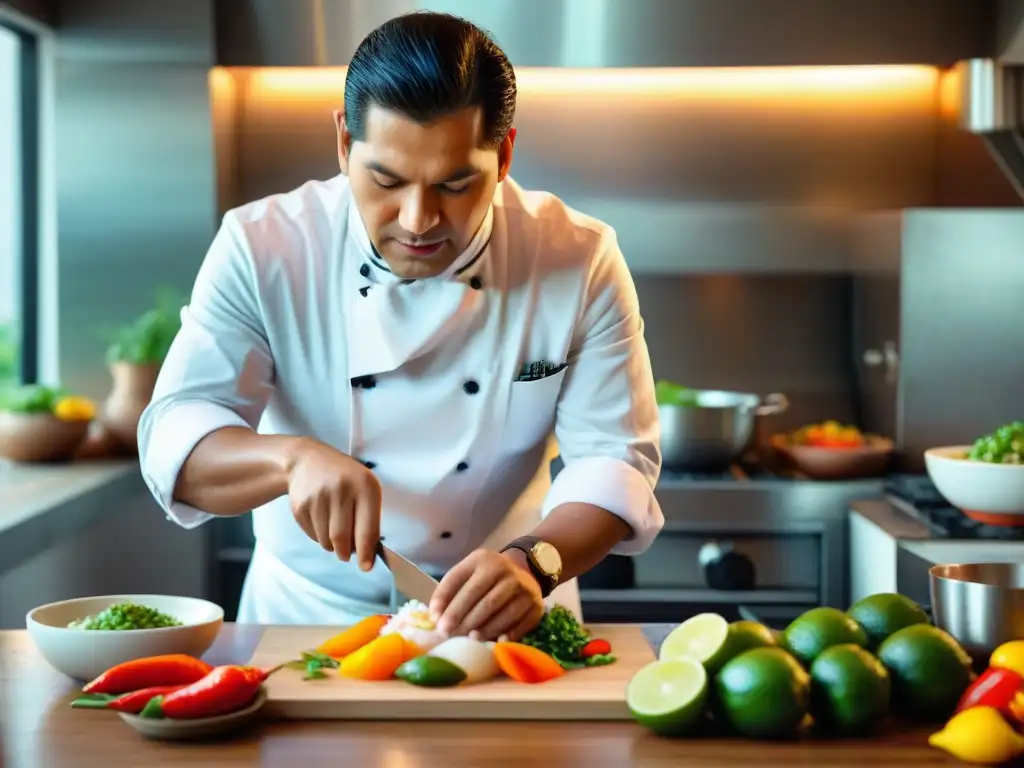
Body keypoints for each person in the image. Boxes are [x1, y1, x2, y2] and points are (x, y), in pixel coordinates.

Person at [137, 11, 663, 640]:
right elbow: (177, 438)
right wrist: (290, 461)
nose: (418, 220)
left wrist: (534, 563)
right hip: (304, 621)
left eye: (455, 184)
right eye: (386, 180)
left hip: (508, 624)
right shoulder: (263, 246)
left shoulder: (578, 257)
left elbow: (613, 462)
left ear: (505, 154)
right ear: (342, 142)